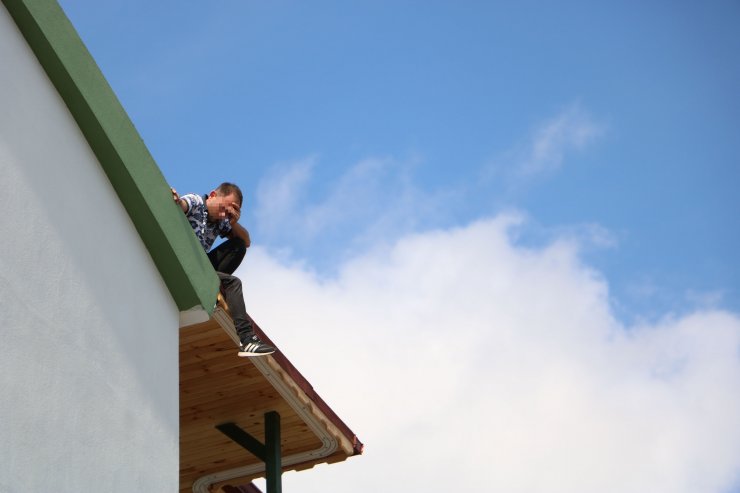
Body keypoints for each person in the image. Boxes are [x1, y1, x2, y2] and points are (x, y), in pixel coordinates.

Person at [171, 182, 275, 357]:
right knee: (234, 283)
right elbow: (182, 204)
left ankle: (214, 286)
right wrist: (176, 200)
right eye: (225, 208)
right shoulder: (196, 202)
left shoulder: (221, 221)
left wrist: (233, 222)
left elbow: (247, 241)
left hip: (201, 268)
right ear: (213, 195)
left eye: (229, 213)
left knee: (239, 245)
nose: (224, 215)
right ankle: (247, 339)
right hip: (184, 264)